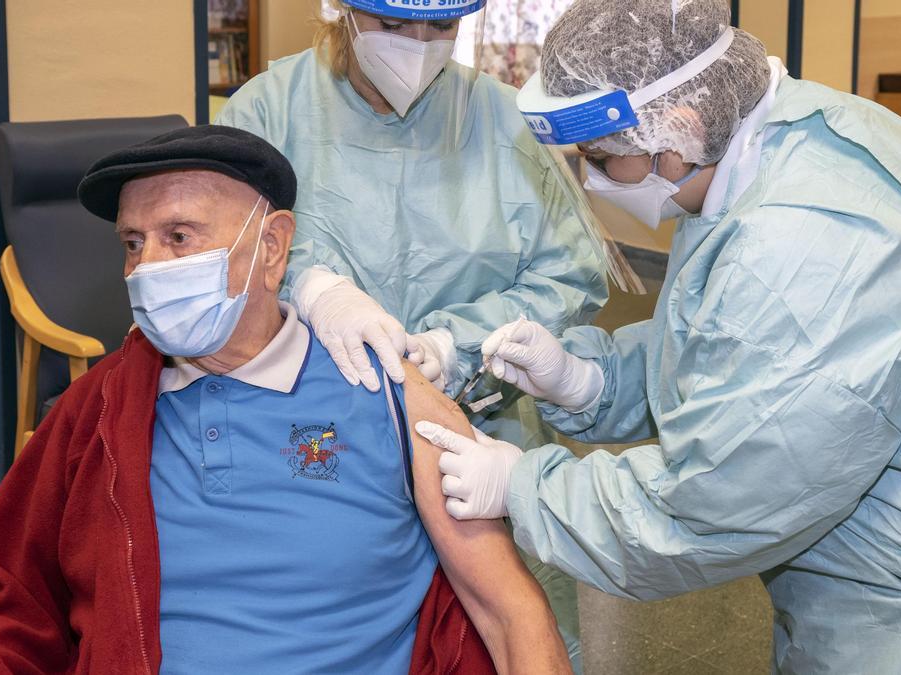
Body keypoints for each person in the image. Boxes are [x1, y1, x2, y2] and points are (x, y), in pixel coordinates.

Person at [416, 1, 901, 673]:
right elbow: (734, 345)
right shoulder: (798, 135)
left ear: (678, 134)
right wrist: (591, 378)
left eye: (599, 158)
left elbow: (703, 510)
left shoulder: (801, 246)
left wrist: (524, 485)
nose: (589, 179)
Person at [0, 125, 569, 675]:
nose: (147, 267)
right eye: (133, 243)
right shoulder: (100, 411)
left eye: (180, 236)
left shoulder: (388, 393)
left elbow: (510, 613)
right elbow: (12, 604)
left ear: (272, 246)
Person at [214, 0, 610, 666]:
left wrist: (457, 344)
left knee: (503, 632)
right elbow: (215, 255)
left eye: (442, 29)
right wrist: (309, 286)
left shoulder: (503, 122)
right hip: (314, 438)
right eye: (395, 26)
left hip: (479, 430)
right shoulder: (266, 114)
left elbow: (570, 276)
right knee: (329, 632)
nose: (420, 46)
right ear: (340, 10)